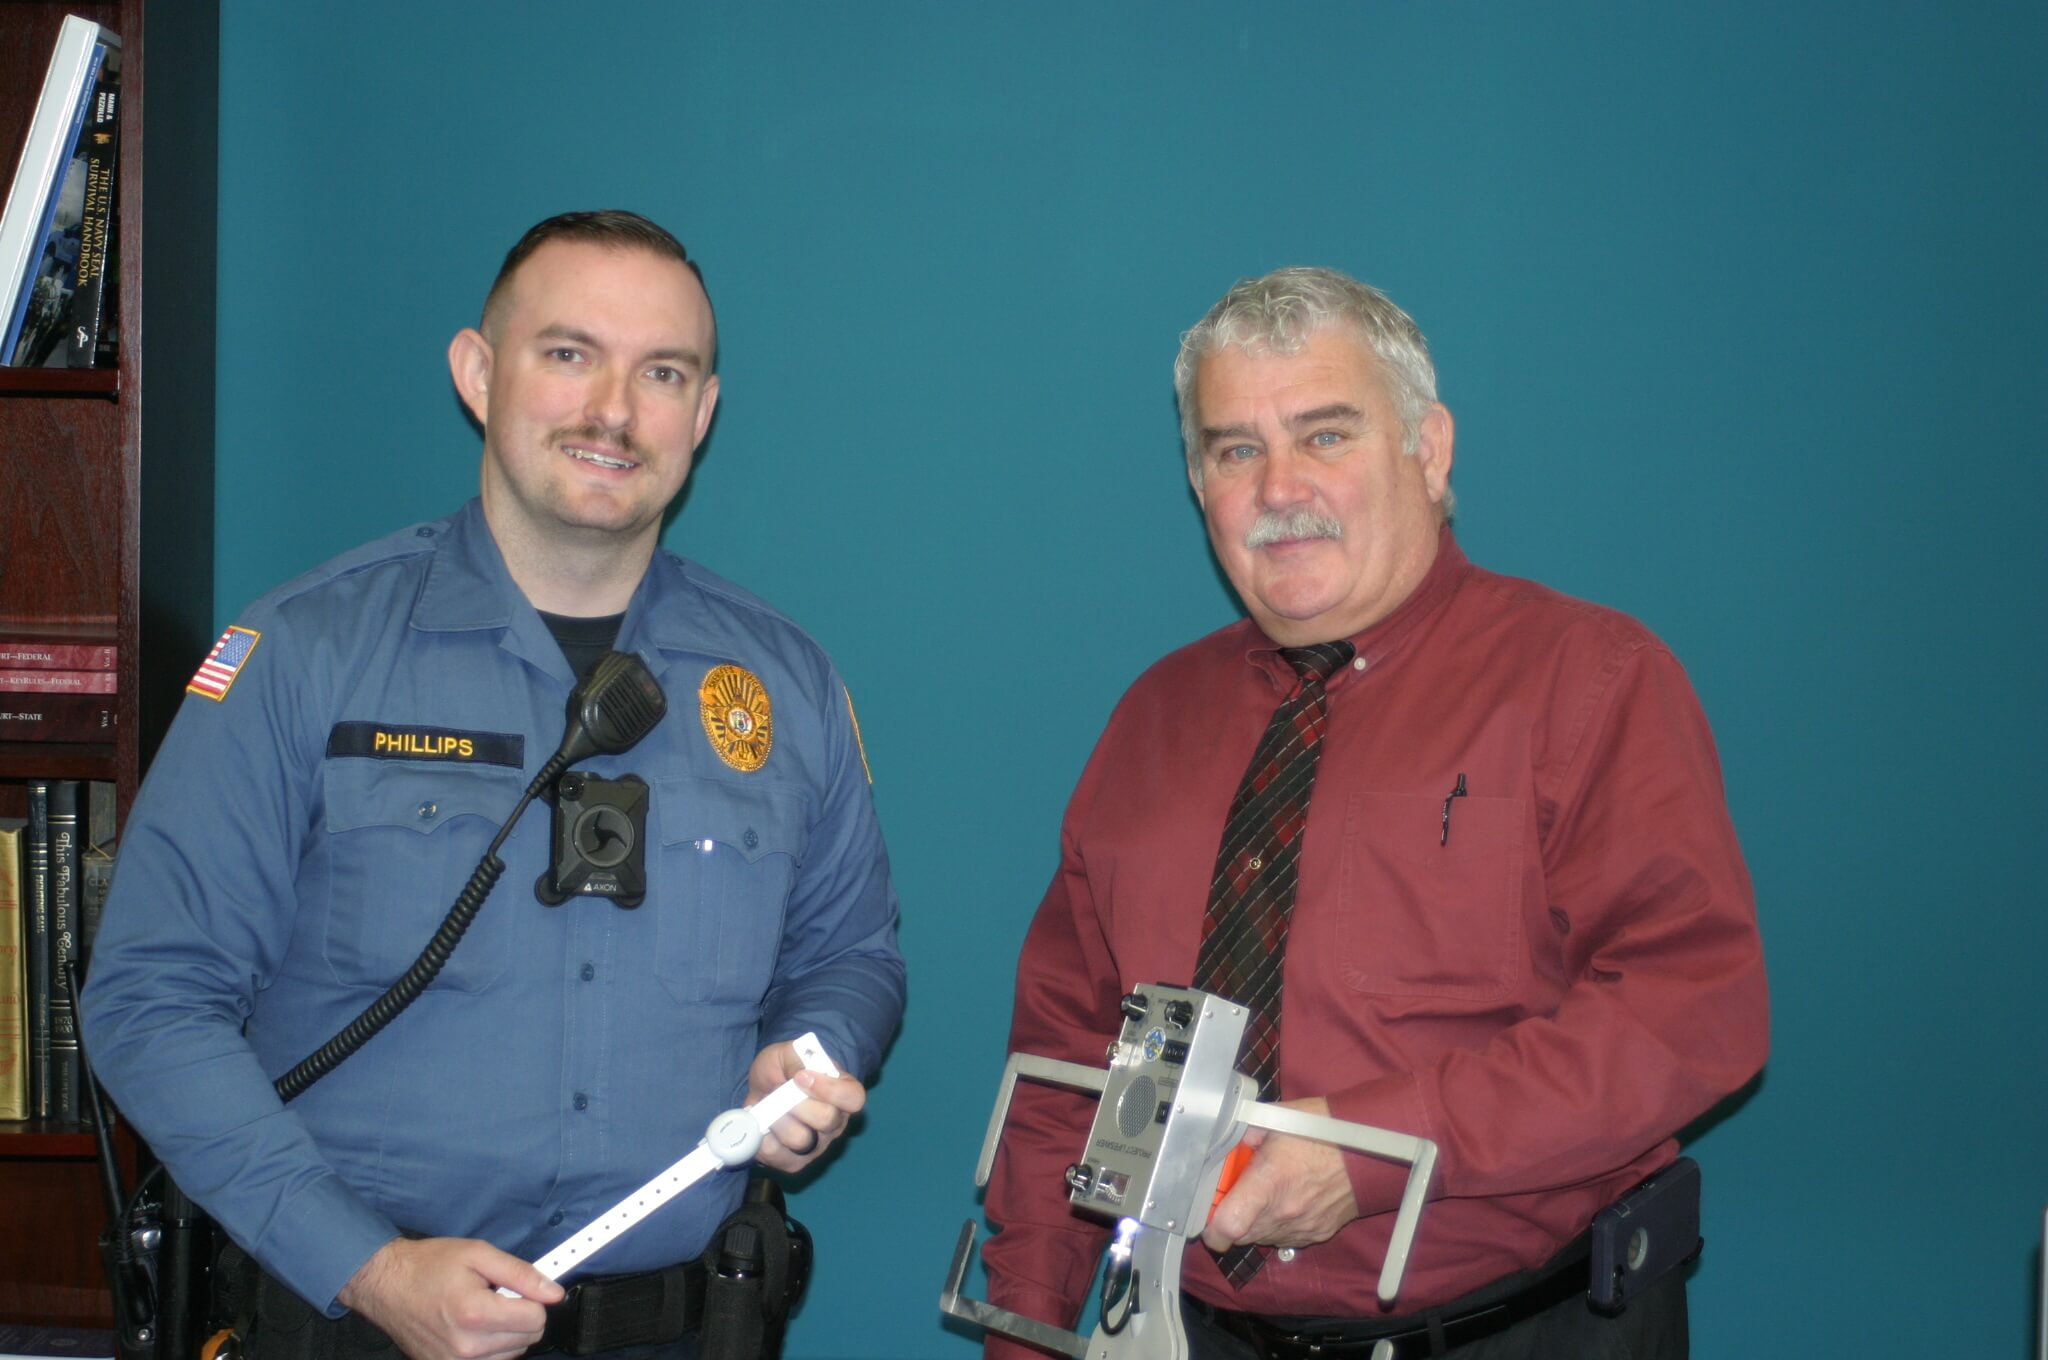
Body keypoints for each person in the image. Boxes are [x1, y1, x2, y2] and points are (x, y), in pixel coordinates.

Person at [81, 210, 905, 1360]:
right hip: (354, 1326)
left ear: (703, 414)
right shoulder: (306, 653)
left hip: (678, 1329)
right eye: (568, 354)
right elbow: (148, 996)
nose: (613, 409)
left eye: (660, 371)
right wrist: (360, 1265)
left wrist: (810, 1053)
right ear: (478, 374)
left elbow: (850, 955)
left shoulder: (784, 682)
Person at [981, 267, 1767, 1358]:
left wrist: (1372, 1150)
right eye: (1232, 449)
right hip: (1188, 1331)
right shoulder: (1150, 721)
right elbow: (1069, 1044)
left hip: (1517, 1332)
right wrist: (1023, 1324)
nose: (1276, 487)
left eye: (1324, 434)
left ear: (1428, 449)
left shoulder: (1588, 680)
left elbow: (1690, 1013)